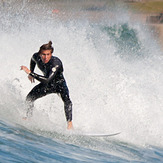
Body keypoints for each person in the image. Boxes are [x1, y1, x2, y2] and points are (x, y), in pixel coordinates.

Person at [21, 41, 73, 129]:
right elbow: (32, 60)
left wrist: (30, 73)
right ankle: (28, 118)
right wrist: (31, 72)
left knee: (67, 101)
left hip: (59, 84)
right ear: (40, 54)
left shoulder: (56, 63)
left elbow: (47, 79)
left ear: (51, 53)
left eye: (48, 54)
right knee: (29, 98)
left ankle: (70, 123)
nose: (45, 57)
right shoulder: (36, 56)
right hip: (48, 85)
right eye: (43, 54)